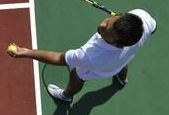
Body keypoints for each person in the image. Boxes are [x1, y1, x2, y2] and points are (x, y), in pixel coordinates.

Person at [8, 9, 156, 102]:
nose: (102, 26)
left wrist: (27, 52)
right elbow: (153, 28)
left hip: (101, 68)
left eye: (106, 32)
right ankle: (122, 80)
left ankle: (66, 95)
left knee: (76, 75)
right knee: (122, 64)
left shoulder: (90, 56)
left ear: (117, 43)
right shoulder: (141, 19)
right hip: (123, 59)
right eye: (108, 21)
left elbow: (59, 58)